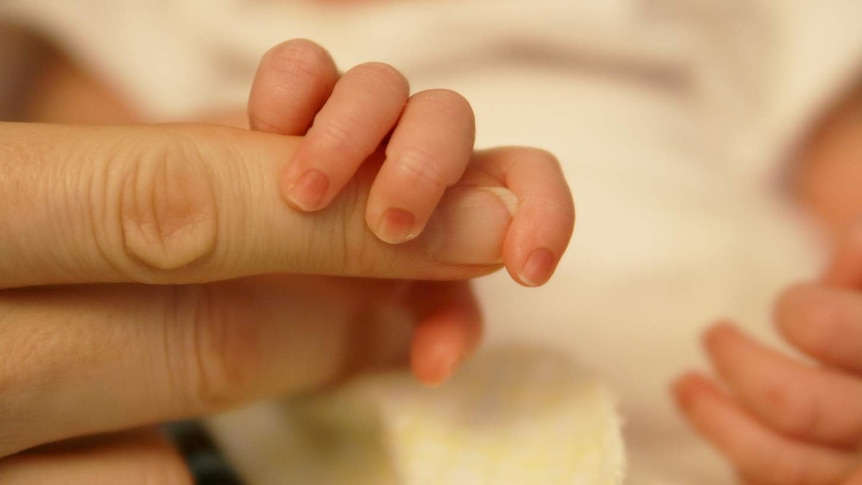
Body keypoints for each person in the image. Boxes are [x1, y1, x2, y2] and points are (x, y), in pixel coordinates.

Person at [0, 36, 575, 483]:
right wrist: (280, 158)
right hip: (221, 411)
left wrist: (408, 179)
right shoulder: (125, 32)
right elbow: (91, 195)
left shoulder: (611, 34)